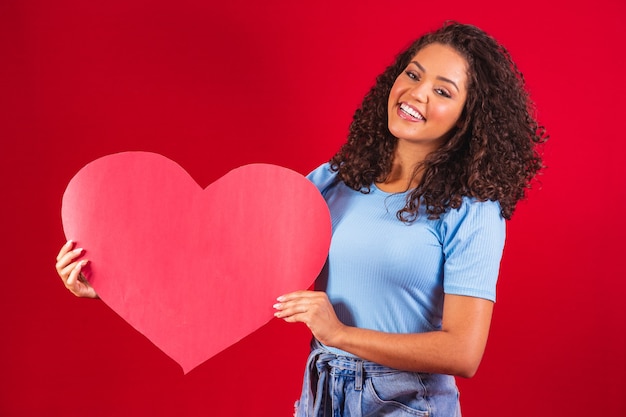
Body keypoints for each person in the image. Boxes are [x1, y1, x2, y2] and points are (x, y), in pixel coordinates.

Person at [56, 21, 546, 417]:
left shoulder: (473, 210)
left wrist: (339, 334)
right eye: (413, 74)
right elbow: (235, 267)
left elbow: (463, 352)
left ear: (467, 117)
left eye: (443, 90)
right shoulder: (338, 177)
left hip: (407, 402)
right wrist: (119, 283)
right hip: (322, 391)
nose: (417, 94)